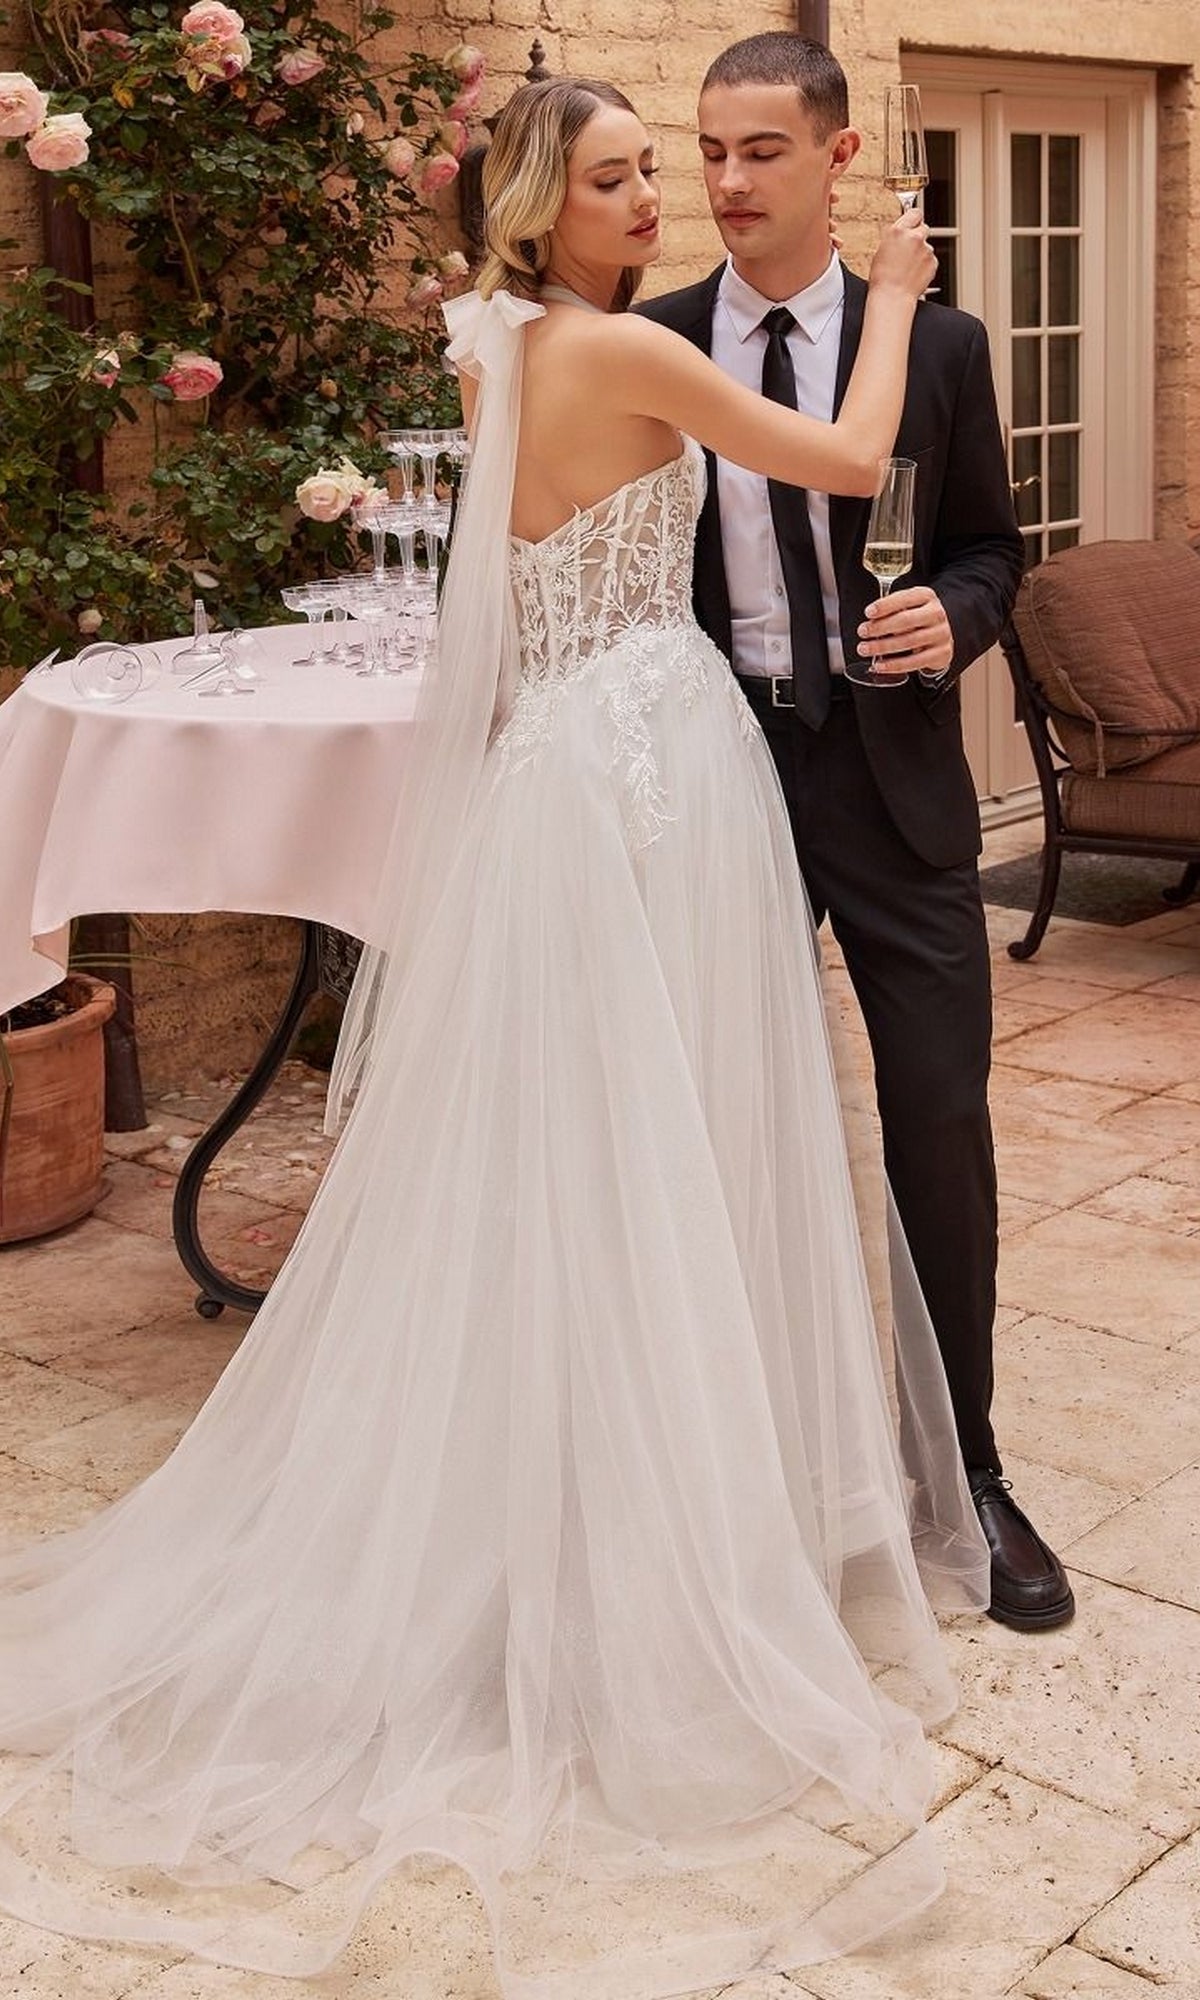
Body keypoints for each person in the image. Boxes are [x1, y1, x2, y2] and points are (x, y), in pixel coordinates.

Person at [0, 77, 988, 2000]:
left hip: (560, 774)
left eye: (659, 173)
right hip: (654, 773)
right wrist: (890, 288)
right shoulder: (621, 348)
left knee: (577, 1165)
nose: (657, 203)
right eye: (622, 178)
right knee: (674, 1145)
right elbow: (855, 467)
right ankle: (670, 1558)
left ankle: (603, 1513)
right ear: (549, 209)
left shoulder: (504, 348)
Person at [638, 33, 1073, 1633]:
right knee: (710, 1128)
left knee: (940, 1128)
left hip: (890, 783)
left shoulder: (939, 350)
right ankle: (734, 1477)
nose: (728, 184)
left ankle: (968, 1469)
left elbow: (989, 547)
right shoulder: (656, 342)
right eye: (710, 152)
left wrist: (950, 627)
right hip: (718, 772)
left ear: (837, 162)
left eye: (761, 151)